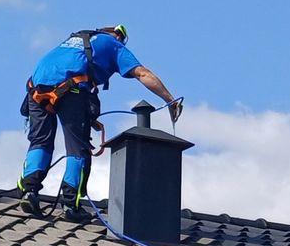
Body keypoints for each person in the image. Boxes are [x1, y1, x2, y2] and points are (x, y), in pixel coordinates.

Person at [18, 24, 181, 218]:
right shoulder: (113, 44)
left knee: (40, 142)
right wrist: (170, 100)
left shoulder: (74, 40)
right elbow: (142, 74)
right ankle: (71, 205)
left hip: (36, 89)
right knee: (78, 148)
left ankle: (29, 191)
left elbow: (61, 69)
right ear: (119, 37)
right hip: (72, 89)